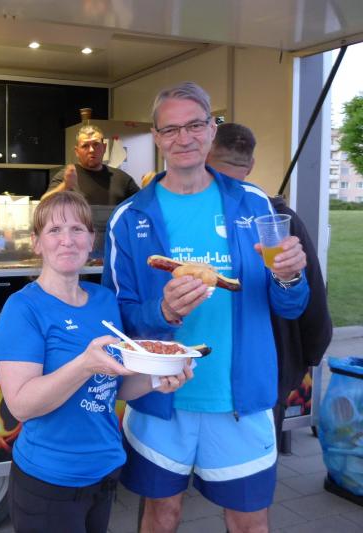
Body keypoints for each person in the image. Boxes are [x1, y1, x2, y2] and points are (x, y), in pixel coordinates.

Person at [102, 82, 310, 533]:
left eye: (195, 125)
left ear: (212, 130)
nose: (184, 138)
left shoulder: (254, 204)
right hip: (161, 398)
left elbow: (290, 306)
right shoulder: (130, 218)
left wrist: (291, 275)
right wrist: (162, 312)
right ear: (157, 138)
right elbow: (117, 318)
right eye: (171, 129)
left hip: (240, 399)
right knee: (161, 515)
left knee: (249, 522)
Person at [0, 190, 192, 533]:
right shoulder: (23, 308)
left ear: (91, 240)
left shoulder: (104, 300)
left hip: (103, 470)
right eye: (54, 230)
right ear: (37, 243)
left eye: (77, 229)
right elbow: (21, 406)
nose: (67, 240)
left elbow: (115, 386)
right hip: (50, 480)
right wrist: (83, 364)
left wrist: (158, 378)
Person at [207, 122, 332, 446]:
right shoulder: (281, 219)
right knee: (256, 463)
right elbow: (316, 301)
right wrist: (305, 359)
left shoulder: (269, 219)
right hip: (273, 369)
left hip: (220, 371)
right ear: (250, 165)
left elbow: (305, 292)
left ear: (205, 158)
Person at [44, 124, 140, 205]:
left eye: (96, 144)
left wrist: (147, 187)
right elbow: (43, 204)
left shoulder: (122, 179)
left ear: (104, 147)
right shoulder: (67, 176)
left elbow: (142, 204)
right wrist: (65, 186)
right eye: (85, 146)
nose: (91, 150)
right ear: (77, 151)